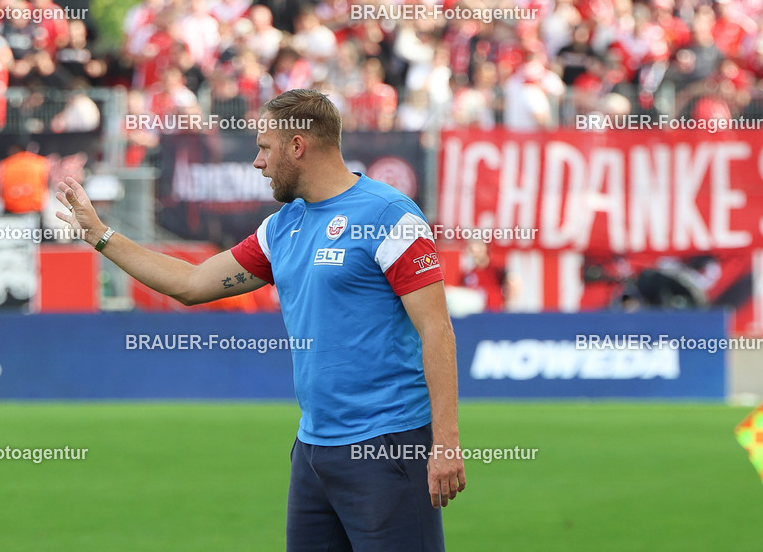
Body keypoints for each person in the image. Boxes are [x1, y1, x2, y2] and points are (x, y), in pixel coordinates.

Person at [56, 88, 465, 550]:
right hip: (312, 454)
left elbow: (437, 330)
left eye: (265, 147)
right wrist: (101, 235)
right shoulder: (282, 226)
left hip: (387, 449)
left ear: (297, 146)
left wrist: (446, 442)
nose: (257, 162)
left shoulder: (390, 216)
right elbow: (192, 284)